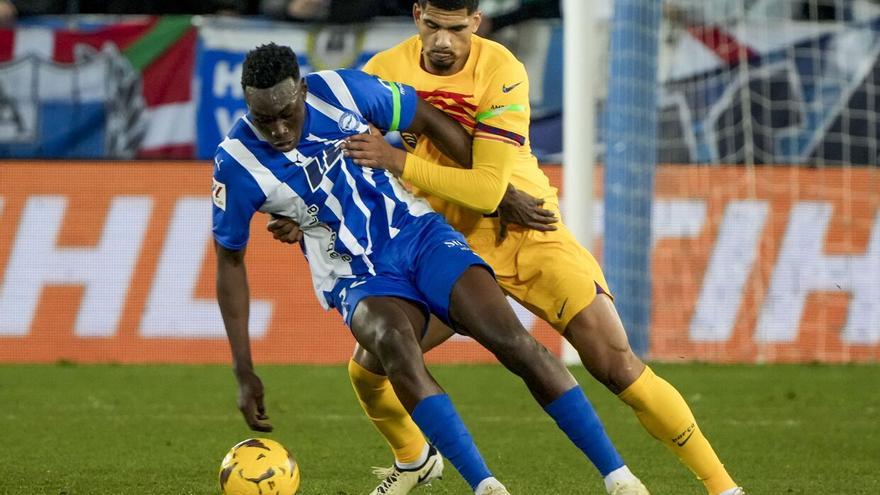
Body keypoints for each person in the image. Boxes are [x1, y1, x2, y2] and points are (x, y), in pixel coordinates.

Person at [267, 1, 745, 495]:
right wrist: (303, 217)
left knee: (614, 364)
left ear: (476, 21)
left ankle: (723, 487)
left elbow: (489, 191)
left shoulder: (501, 68)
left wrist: (397, 160)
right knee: (371, 368)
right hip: (440, 242)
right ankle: (413, 460)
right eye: (433, 27)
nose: (443, 42)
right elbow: (346, 161)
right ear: (417, 17)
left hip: (526, 232)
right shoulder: (383, 71)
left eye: (455, 29)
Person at [215, 42, 648, 495]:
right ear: (248, 105)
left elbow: (428, 119)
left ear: (302, 90)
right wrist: (243, 370)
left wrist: (496, 195)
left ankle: (619, 478)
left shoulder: (345, 89)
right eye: (265, 119)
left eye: (288, 112)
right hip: (356, 274)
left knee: (511, 340)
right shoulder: (236, 163)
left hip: (422, 236)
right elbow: (230, 264)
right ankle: (485, 486)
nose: (280, 128)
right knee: (393, 343)